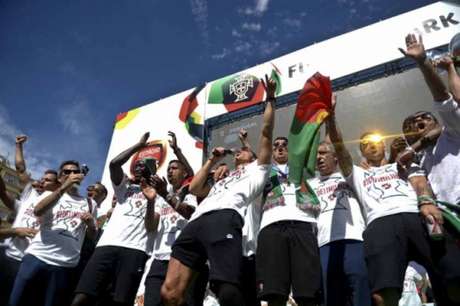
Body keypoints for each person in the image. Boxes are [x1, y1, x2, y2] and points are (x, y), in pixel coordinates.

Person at [327, 94, 460, 306]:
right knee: (384, 295)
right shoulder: (356, 173)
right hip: (380, 223)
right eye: (365, 144)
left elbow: (419, 183)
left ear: (384, 145)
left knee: (454, 279)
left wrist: (426, 201)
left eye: (376, 142)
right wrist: (331, 118)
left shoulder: (404, 164)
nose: (371, 146)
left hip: (417, 215)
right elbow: (340, 147)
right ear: (361, 150)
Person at [160, 75, 276, 306]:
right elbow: (194, 187)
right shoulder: (225, 176)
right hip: (196, 221)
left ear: (254, 157)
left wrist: (270, 99)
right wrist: (212, 160)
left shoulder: (258, 169)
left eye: (243, 152)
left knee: (228, 293)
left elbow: (265, 132)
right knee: (170, 293)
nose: (238, 154)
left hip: (225, 218)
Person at [71, 133, 160, 306]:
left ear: (153, 170)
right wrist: (138, 145)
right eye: (137, 165)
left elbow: (151, 226)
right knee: (82, 298)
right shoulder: (124, 188)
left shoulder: (160, 194)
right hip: (106, 247)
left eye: (144, 165)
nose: (139, 167)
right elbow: (114, 164)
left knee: (120, 301)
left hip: (136, 250)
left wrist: (150, 202)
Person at [9, 160, 97, 306]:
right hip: (37, 257)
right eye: (67, 172)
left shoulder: (90, 203)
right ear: (60, 178)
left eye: (75, 171)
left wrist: (91, 225)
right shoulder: (49, 194)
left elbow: (91, 236)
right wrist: (63, 188)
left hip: (65, 265)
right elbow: (38, 210)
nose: (72, 174)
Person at [144, 134, 207, 306]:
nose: (169, 171)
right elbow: (150, 226)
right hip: (159, 260)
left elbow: (189, 213)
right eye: (168, 169)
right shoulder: (157, 195)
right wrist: (150, 202)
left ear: (185, 173)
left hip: (185, 260)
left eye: (174, 168)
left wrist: (177, 150)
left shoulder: (192, 191)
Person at [398, 33, 460, 206]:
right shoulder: (415, 163)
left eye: (426, 118)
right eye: (412, 124)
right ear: (407, 137)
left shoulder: (453, 131)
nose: (420, 122)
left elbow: (443, 98)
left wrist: (423, 62)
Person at [308, 141, 370, 306]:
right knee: (332, 296)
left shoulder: (350, 176)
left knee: (360, 292)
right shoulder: (310, 185)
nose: (319, 158)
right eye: (316, 155)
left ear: (335, 157)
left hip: (354, 239)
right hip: (324, 244)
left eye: (323, 153)